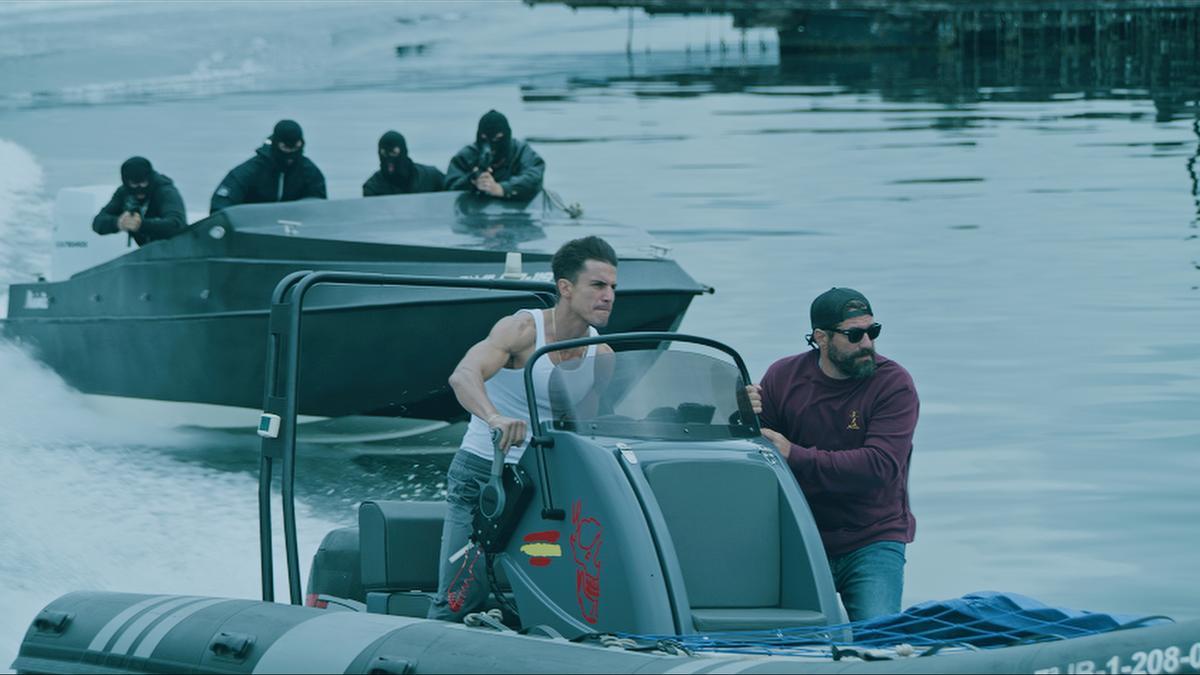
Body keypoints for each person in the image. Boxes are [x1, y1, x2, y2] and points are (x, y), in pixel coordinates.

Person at [429, 235, 618, 622]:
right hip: (486, 477)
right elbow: (463, 376)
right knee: (460, 598)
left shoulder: (603, 355)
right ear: (565, 288)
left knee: (557, 591)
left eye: (613, 287)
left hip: (547, 485)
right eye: (598, 285)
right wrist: (493, 417)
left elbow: (585, 428)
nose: (609, 296)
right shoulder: (522, 330)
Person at [755, 287, 919, 622]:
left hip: (873, 537)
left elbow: (880, 467)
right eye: (855, 335)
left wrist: (794, 454)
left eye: (873, 332)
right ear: (821, 338)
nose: (867, 344)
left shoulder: (894, 384)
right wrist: (741, 412)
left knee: (878, 641)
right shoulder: (783, 378)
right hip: (804, 537)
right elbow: (759, 451)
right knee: (793, 641)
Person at [209, 119, 326, 214]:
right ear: (276, 144)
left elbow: (320, 207)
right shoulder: (250, 171)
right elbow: (221, 204)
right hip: (252, 232)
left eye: (295, 148)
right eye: (286, 148)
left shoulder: (309, 173)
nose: (291, 154)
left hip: (295, 232)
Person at [445, 110, 545, 201]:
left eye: (497, 139)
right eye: (484, 139)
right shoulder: (466, 156)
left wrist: (502, 189)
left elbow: (534, 177)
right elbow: (450, 188)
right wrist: (472, 180)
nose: (492, 148)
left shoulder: (521, 152)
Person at [92, 156, 187, 247]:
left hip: (179, 249)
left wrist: (141, 225)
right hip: (150, 252)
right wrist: (118, 223)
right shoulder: (124, 193)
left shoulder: (166, 191)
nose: (140, 188)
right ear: (127, 182)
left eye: (143, 183)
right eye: (134, 184)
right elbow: (98, 222)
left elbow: (177, 224)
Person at [362, 130, 445, 196]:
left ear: (404, 151)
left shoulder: (430, 177)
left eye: (394, 153)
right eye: (384, 153)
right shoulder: (373, 187)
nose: (389, 159)